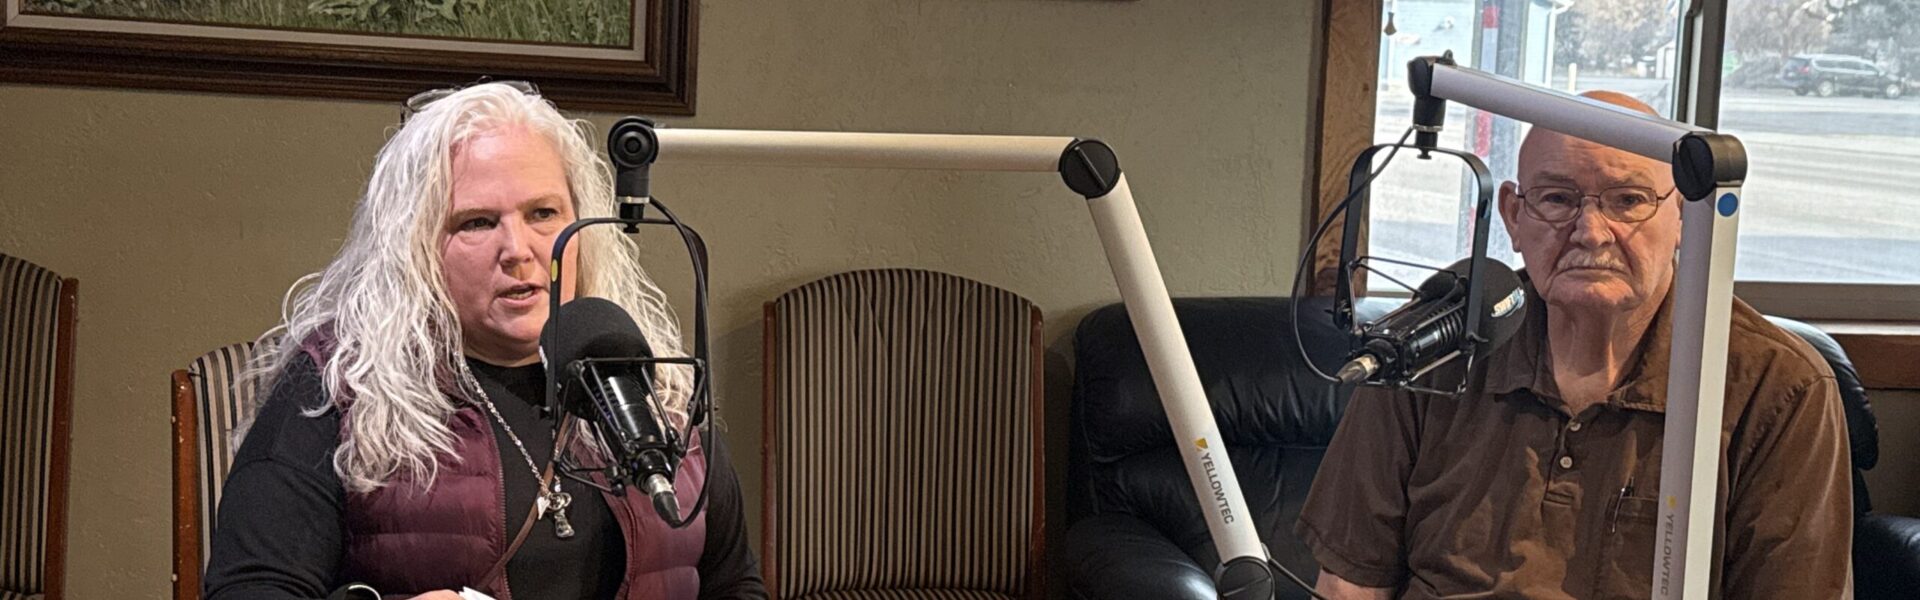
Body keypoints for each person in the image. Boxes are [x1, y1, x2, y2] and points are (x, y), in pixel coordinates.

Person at [203, 82, 767, 600]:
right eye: (476, 222)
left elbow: (734, 585)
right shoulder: (337, 384)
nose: (518, 250)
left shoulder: (654, 385)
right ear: (416, 244)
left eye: (544, 213)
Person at [1297, 91, 1852, 599]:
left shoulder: (1779, 387)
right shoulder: (1429, 347)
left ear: (1684, 214)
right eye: (1558, 199)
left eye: (1628, 200)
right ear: (1513, 216)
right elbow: (1350, 586)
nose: (1591, 231)